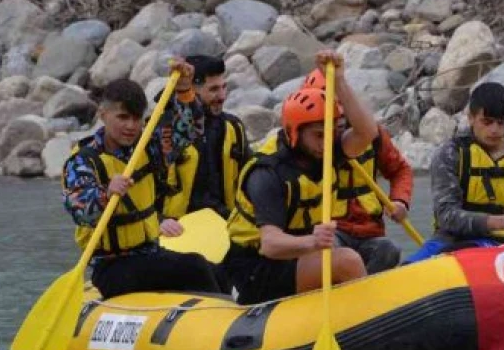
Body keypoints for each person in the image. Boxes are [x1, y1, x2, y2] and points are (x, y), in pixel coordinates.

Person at [223, 51, 378, 304]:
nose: (327, 142)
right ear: (294, 133)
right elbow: (270, 244)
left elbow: (367, 132)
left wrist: (339, 80)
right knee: (347, 260)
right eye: (319, 135)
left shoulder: (324, 151)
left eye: (331, 133)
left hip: (296, 256)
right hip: (256, 268)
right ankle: (364, 326)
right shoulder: (268, 173)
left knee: (369, 252)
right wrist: (312, 241)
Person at [61, 61, 222, 299]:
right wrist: (106, 193)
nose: (131, 126)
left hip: (150, 253)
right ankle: (218, 322)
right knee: (194, 266)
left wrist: (185, 90)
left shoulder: (149, 146)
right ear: (103, 115)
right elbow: (81, 211)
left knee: (216, 271)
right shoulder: (84, 161)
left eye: (137, 119)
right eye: (123, 117)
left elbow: (190, 131)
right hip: (112, 267)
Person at [250, 69, 414, 274]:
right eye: (319, 131)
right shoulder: (287, 157)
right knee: (337, 254)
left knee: (389, 251)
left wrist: (400, 200)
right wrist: (312, 240)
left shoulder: (353, 139)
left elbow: (398, 168)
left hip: (368, 228)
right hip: (328, 230)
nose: (331, 130)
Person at [404, 81, 504, 264]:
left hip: (497, 245)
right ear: (471, 118)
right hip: (448, 240)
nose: (494, 130)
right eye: (487, 122)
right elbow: (446, 216)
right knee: (407, 267)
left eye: (500, 122)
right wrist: (500, 221)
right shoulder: (450, 154)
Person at [159, 54, 249, 225]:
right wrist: (159, 221)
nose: (222, 96)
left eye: (224, 87)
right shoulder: (165, 131)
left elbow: (249, 179)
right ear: (191, 89)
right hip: (176, 228)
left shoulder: (232, 128)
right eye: (214, 89)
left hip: (224, 222)